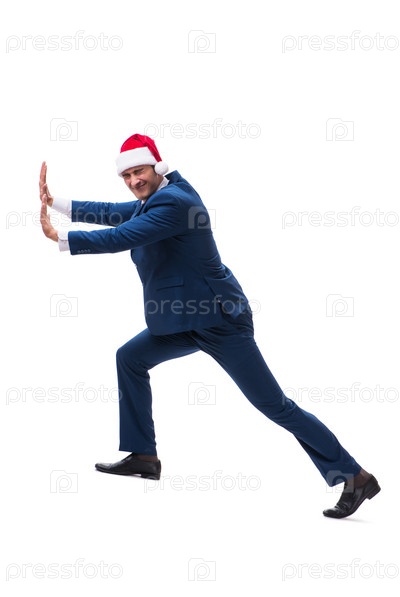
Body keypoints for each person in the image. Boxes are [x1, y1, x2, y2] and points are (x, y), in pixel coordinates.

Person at [39, 133, 380, 518]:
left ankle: (355, 476)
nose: (134, 181)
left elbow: (123, 235)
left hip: (219, 320)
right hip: (184, 319)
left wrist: (61, 238)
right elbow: (115, 212)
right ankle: (144, 456)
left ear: (157, 166)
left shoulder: (175, 203)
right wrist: (57, 203)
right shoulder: (155, 198)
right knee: (130, 358)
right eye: (127, 175)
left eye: (139, 172)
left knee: (275, 406)